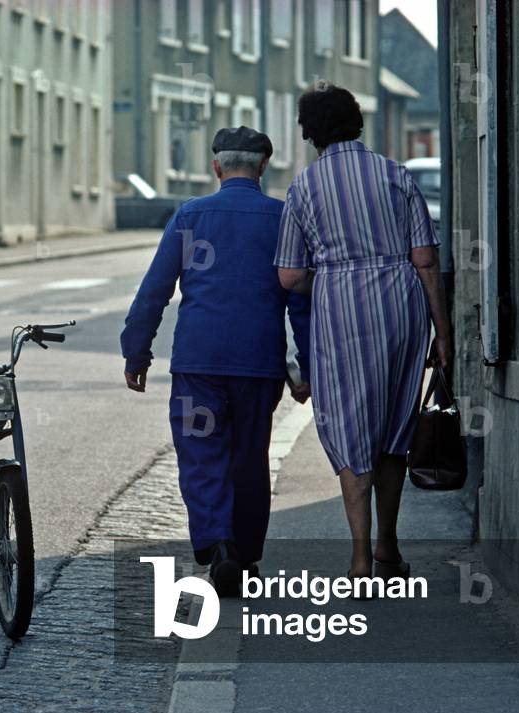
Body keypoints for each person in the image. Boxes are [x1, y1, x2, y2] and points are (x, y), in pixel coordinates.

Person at [121, 126, 311, 596]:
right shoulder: (283, 219)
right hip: (258, 364)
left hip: (199, 365)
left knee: (202, 456)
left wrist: (136, 351)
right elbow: (301, 299)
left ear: (217, 167)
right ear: (263, 168)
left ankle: (218, 545)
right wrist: (305, 366)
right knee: (249, 459)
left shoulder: (190, 216)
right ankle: (244, 556)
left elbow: (155, 291)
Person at [274, 84, 451, 582]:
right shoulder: (397, 175)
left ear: (311, 133)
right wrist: (443, 331)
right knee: (395, 428)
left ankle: (357, 560)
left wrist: (333, 276)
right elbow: (425, 258)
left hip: (340, 314)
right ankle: (388, 548)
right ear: (357, 122)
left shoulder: (304, 187)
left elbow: (288, 275)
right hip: (401, 307)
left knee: (351, 430)